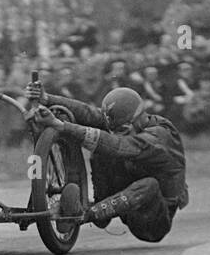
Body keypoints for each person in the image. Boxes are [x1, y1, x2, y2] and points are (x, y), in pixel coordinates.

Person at [26, 82, 187, 243]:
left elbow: (118, 145)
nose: (117, 134)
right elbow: (88, 113)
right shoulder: (127, 122)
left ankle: (86, 215)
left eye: (122, 130)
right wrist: (46, 98)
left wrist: (61, 126)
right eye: (114, 129)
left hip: (154, 219)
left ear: (138, 120)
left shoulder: (160, 137)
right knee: (101, 152)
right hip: (128, 197)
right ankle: (98, 208)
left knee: (147, 182)